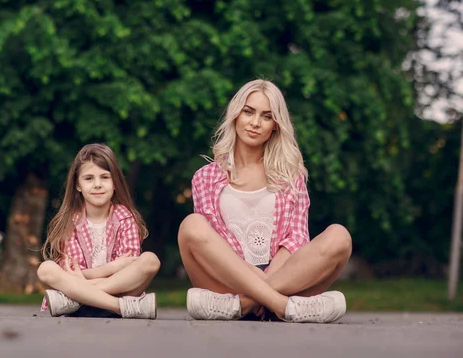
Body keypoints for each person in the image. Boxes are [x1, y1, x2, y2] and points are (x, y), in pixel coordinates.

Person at [178, 79, 352, 323]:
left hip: (286, 276)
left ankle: (244, 306)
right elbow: (215, 245)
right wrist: (263, 288)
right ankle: (283, 306)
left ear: (275, 126)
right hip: (225, 282)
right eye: (248, 112)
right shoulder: (205, 177)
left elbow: (296, 238)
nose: (255, 123)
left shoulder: (291, 175)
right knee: (191, 225)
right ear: (236, 115)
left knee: (339, 236)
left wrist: (266, 282)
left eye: (266, 116)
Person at [37, 143, 160, 319]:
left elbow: (129, 269)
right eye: (88, 178)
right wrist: (114, 266)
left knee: (150, 260)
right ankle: (120, 307)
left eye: (104, 177)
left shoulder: (125, 217)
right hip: (118, 299)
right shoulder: (69, 221)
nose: (97, 185)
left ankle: (75, 299)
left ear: (115, 183)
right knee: (46, 269)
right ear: (77, 185)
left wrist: (80, 285)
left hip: (115, 291)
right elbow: (73, 271)